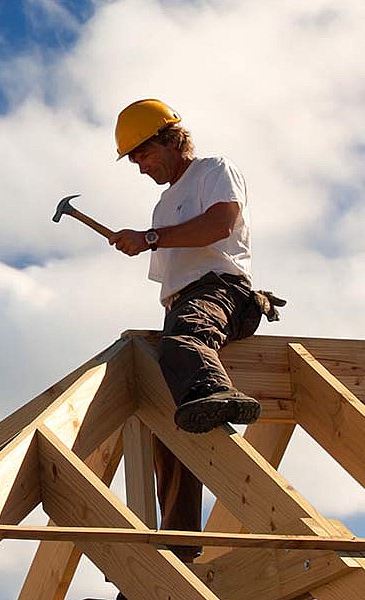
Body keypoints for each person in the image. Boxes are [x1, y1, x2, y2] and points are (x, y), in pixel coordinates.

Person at [109, 98, 274, 435]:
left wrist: (149, 238)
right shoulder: (163, 206)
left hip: (220, 290)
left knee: (184, 341)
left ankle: (218, 394)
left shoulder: (213, 170)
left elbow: (218, 226)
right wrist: (146, 238)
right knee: (168, 419)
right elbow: (171, 280)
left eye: (144, 155)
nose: (141, 168)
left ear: (170, 140)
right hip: (182, 303)